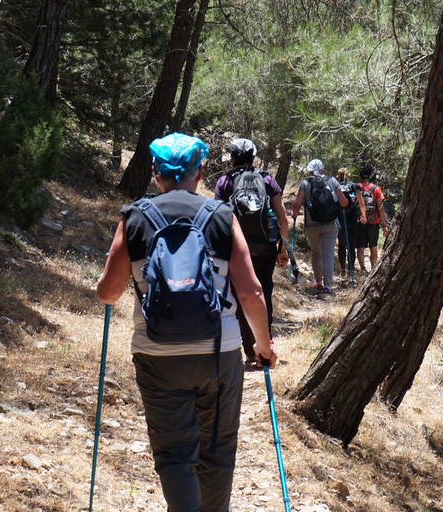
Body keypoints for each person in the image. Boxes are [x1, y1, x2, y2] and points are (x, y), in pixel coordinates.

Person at [96, 132, 278, 512]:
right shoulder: (221, 216)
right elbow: (251, 294)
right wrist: (262, 345)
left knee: (175, 455)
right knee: (218, 450)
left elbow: (107, 293)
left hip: (157, 355)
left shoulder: (134, 218)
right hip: (220, 352)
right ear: (200, 172)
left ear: (155, 173)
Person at [214, 138, 289, 365]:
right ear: (253, 157)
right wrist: (282, 250)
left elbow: (217, 219)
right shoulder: (267, 179)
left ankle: (249, 351)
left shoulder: (224, 182)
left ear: (233, 157)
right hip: (264, 247)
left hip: (236, 250)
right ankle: (266, 345)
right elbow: (282, 218)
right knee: (263, 292)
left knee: (239, 295)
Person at [291, 158, 348, 295]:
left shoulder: (305, 183)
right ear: (322, 169)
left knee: (316, 253)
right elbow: (344, 202)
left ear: (310, 171)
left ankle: (318, 283)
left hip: (312, 224)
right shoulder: (333, 181)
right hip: (331, 223)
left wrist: (294, 214)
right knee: (328, 254)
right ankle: (328, 287)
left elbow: (298, 203)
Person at [354, 164, 389, 272]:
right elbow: (380, 208)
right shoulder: (376, 189)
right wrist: (384, 225)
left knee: (360, 248)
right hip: (374, 222)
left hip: (360, 222)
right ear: (370, 175)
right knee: (373, 248)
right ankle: (373, 270)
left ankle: (362, 268)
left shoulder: (356, 187)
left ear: (360, 175)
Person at [336, 168, 358, 277]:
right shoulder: (353, 185)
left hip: (340, 219)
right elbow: (361, 202)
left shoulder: (335, 186)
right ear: (348, 176)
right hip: (352, 219)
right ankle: (351, 270)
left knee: (341, 245)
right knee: (351, 245)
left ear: (338, 176)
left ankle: (343, 270)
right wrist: (363, 215)